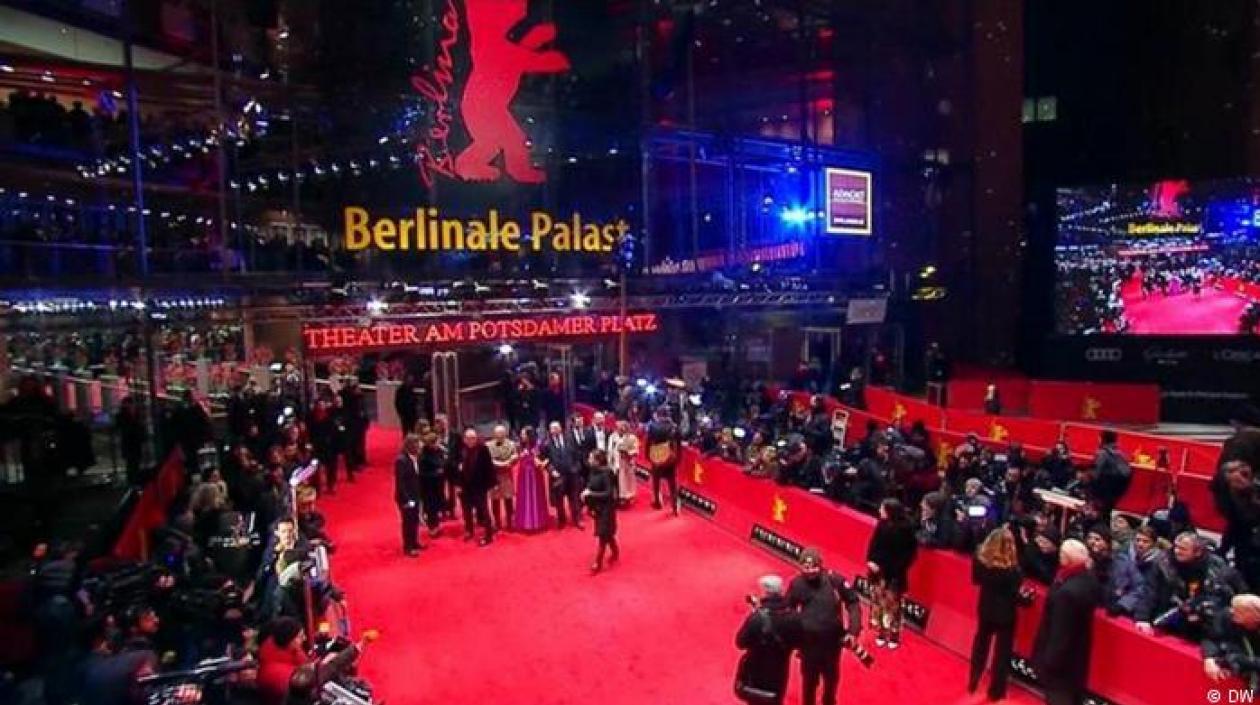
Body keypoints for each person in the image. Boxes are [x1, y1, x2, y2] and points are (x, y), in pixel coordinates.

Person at [787, 548, 863, 705]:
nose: (810, 572)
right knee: (808, 682)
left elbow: (853, 602)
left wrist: (853, 631)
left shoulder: (834, 580)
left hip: (832, 644)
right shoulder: (796, 584)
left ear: (820, 566)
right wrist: (795, 636)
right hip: (808, 645)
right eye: (806, 567)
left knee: (831, 679)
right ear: (800, 566)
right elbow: (789, 610)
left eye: (814, 567)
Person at [1135, 531, 1247, 639]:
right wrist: (1142, 617)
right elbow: (1150, 590)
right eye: (1176, 547)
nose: (1177, 551)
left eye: (1182, 549)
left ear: (1197, 552)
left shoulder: (1218, 568)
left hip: (1205, 624)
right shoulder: (1163, 562)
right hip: (1168, 615)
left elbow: (1238, 595)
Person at [1032, 539, 1101, 705]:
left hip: (1062, 662)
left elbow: (1060, 632)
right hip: (1079, 656)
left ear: (1067, 558)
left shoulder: (1067, 593)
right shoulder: (1089, 578)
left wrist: (1049, 661)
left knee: (1059, 697)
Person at [969, 527, 1025, 702]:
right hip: (1006, 615)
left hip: (986, 609)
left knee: (981, 644)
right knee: (1002, 653)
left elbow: (976, 580)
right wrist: (1026, 599)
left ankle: (974, 676)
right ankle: (996, 690)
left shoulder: (980, 561)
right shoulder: (1013, 571)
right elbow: (1015, 596)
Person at [736, 575, 804, 705]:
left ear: (766, 592)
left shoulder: (757, 618)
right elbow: (800, 642)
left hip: (756, 672)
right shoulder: (795, 617)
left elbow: (740, 642)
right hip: (779, 672)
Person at [865, 498, 917, 648]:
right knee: (879, 603)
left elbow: (910, 554)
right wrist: (871, 561)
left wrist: (895, 569)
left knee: (894, 606)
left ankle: (894, 636)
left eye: (882, 508)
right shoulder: (881, 525)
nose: (879, 511)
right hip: (878, 572)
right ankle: (881, 632)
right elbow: (873, 544)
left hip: (895, 575)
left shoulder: (906, 529)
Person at [1084, 524, 1148, 618]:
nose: (1092, 542)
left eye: (1097, 539)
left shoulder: (1123, 562)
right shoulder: (1083, 559)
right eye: (1090, 538)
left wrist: (1123, 604)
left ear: (1107, 542)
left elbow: (1139, 586)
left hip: (1113, 611)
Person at [1202, 593, 1260, 689]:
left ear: (1254, 616)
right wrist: (1209, 658)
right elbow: (1210, 637)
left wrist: (1244, 661)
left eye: (1238, 611)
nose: (1232, 612)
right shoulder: (1228, 616)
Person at [540, 420, 584, 529]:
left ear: (561, 428)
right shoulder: (546, 443)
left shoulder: (570, 439)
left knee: (574, 498)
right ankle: (561, 520)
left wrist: (576, 468)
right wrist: (551, 470)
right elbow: (544, 460)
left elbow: (577, 455)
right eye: (552, 428)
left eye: (556, 427)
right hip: (557, 476)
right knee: (559, 499)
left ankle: (577, 519)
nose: (554, 430)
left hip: (572, 474)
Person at [581, 449, 619, 573]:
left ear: (598, 461)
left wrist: (591, 494)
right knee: (607, 534)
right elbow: (590, 485)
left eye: (591, 458)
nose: (589, 460)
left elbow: (608, 493)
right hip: (597, 508)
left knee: (603, 536)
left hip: (607, 509)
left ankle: (598, 563)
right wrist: (586, 494)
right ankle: (615, 551)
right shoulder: (592, 471)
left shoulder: (607, 473)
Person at [457, 428, 496, 546]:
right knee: (467, 511)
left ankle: (488, 535)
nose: (471, 440)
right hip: (465, 486)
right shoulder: (461, 450)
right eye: (468, 438)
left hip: (479, 486)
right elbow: (456, 468)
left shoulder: (483, 449)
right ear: (464, 439)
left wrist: (492, 485)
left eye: (473, 438)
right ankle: (469, 530)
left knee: (484, 511)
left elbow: (489, 468)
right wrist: (458, 484)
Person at [257, 617, 308, 705]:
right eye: (300, 636)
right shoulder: (275, 673)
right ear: (289, 640)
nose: (305, 638)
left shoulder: (294, 652)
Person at [645, 406, 681, 514]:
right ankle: (675, 506)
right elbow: (678, 446)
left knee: (656, 480)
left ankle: (657, 501)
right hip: (670, 457)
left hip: (656, 456)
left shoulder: (652, 426)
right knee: (672, 483)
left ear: (658, 414)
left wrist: (647, 455)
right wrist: (678, 459)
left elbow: (648, 442)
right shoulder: (675, 427)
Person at [514, 427, 550, 532]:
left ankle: (539, 522)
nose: (522, 436)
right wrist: (519, 456)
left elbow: (546, 457)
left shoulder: (538, 445)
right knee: (524, 497)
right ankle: (524, 522)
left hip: (536, 474)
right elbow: (516, 458)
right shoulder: (519, 445)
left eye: (524, 434)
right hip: (523, 475)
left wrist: (541, 462)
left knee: (536, 496)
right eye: (521, 434)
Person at [394, 434, 425, 556]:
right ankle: (408, 547)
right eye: (416, 444)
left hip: (415, 495)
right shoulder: (401, 461)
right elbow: (400, 483)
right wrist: (408, 500)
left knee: (415, 520)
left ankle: (414, 541)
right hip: (405, 498)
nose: (419, 446)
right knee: (408, 522)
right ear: (409, 445)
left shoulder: (416, 458)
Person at [487, 424, 519, 532]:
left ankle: (510, 522)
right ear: (494, 434)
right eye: (497, 433)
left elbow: (515, 456)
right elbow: (489, 460)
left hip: (506, 476)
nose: (499, 435)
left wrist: (511, 461)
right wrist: (502, 463)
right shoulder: (488, 445)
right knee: (495, 500)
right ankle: (497, 523)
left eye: (501, 433)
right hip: (494, 476)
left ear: (505, 433)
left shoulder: (511, 444)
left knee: (508, 499)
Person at [418, 431, 446, 536]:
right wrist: (436, 472)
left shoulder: (438, 451)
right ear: (430, 443)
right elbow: (422, 474)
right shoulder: (423, 456)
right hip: (428, 487)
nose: (438, 444)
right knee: (430, 508)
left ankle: (437, 526)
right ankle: (432, 528)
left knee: (436, 506)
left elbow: (442, 462)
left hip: (438, 485)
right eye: (436, 442)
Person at [609, 419, 640, 506]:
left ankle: (628, 498)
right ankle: (618, 498)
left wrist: (628, 453)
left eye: (622, 427)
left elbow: (636, 450)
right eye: (618, 427)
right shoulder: (613, 436)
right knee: (617, 481)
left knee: (627, 481)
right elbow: (610, 449)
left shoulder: (632, 437)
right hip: (615, 461)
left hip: (627, 462)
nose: (619, 429)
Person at [394, 375, 419, 439]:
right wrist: (400, 414)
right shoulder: (400, 390)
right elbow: (397, 403)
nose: (410, 381)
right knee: (405, 431)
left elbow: (415, 400)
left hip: (413, 414)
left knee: (414, 431)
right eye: (409, 379)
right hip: (405, 414)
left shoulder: (411, 389)